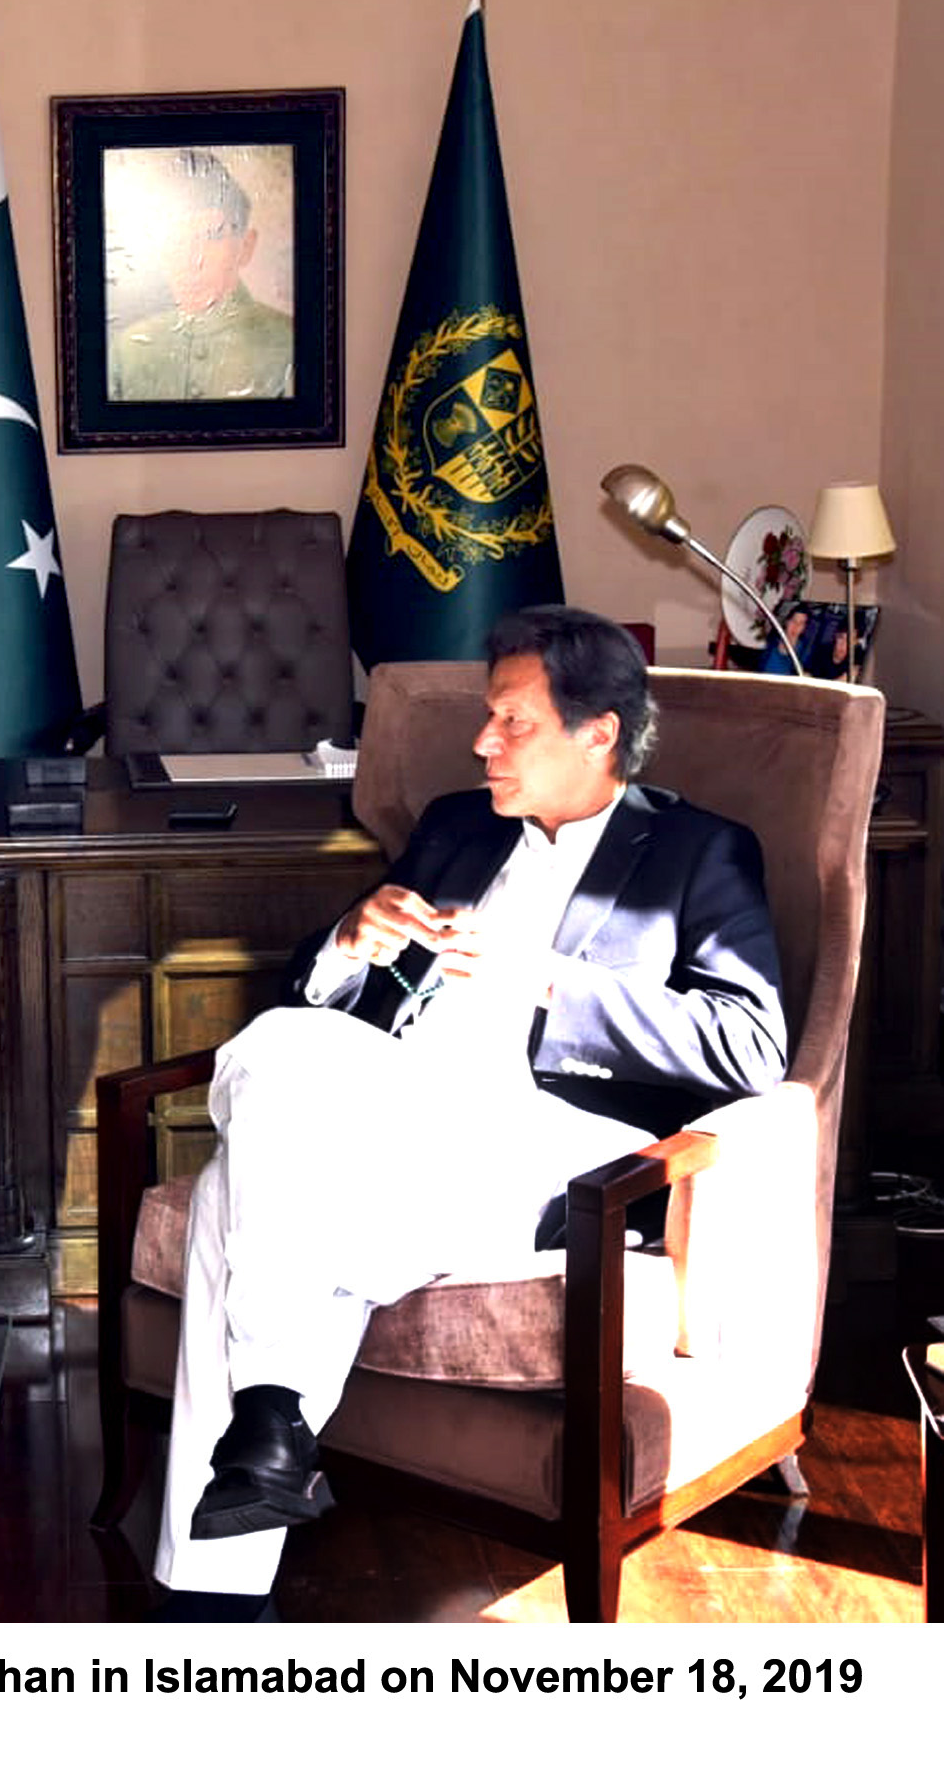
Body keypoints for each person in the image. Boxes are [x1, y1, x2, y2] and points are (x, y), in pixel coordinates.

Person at [152, 605, 787, 1621]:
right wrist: (353, 939)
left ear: (599, 733)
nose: (483, 743)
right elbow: (313, 989)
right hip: (396, 1115)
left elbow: (750, 1045)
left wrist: (548, 983)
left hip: (549, 1147)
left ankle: (213, 1587)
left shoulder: (700, 853)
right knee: (276, 1072)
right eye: (486, 718)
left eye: (513, 724)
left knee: (254, 1147)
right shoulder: (456, 824)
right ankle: (265, 1437)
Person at [108, 148, 294, 403]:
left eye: (211, 236)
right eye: (175, 239)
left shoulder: (289, 344)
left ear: (246, 246)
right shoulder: (126, 351)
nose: (192, 260)